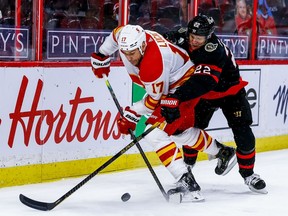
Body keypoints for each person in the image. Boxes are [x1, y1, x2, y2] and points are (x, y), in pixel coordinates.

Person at [90, 24, 237, 202]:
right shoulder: (128, 38)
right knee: (178, 132)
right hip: (171, 81)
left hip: (183, 85)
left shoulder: (153, 63)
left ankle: (187, 182)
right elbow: (115, 34)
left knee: (155, 134)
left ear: (143, 46)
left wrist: (132, 113)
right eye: (125, 53)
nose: (129, 57)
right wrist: (101, 55)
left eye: (132, 53)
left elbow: (154, 100)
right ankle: (222, 152)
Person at [162, 14, 267, 194]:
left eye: (199, 38)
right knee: (190, 130)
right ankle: (187, 171)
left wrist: (177, 97)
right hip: (205, 95)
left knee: (243, 131)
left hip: (230, 92)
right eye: (192, 36)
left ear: (209, 36)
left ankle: (249, 175)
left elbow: (203, 82)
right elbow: (159, 43)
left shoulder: (214, 50)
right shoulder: (182, 35)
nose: (194, 41)